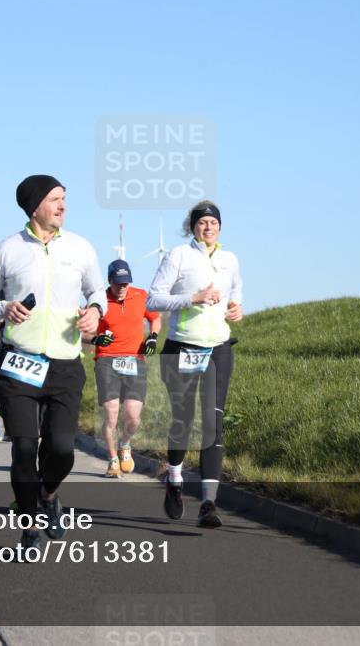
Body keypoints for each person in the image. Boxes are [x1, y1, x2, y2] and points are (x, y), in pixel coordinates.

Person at [0, 174, 105, 555]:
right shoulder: (6, 250)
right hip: (19, 363)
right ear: (34, 207)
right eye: (54, 199)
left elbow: (97, 291)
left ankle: (47, 494)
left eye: (64, 198)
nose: (62, 205)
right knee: (25, 448)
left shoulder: (80, 248)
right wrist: (2, 307)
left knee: (62, 449)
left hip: (64, 363)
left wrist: (95, 310)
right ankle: (28, 524)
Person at [147, 201, 242, 528]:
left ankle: (208, 504)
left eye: (213, 222)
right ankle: (174, 476)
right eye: (202, 222)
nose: (208, 227)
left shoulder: (230, 259)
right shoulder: (178, 256)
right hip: (182, 347)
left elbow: (236, 292)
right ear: (193, 227)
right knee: (184, 419)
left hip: (218, 347)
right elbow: (153, 299)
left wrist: (235, 307)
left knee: (213, 423)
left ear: (220, 227)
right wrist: (193, 298)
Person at [89, 259, 161, 478]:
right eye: (118, 283)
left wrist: (153, 337)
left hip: (135, 361)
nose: (122, 288)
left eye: (125, 283)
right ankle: (112, 461)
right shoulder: (99, 301)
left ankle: (125, 444)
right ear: (109, 281)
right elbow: (83, 331)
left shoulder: (141, 296)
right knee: (111, 415)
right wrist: (95, 339)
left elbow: (155, 319)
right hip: (106, 361)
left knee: (133, 417)